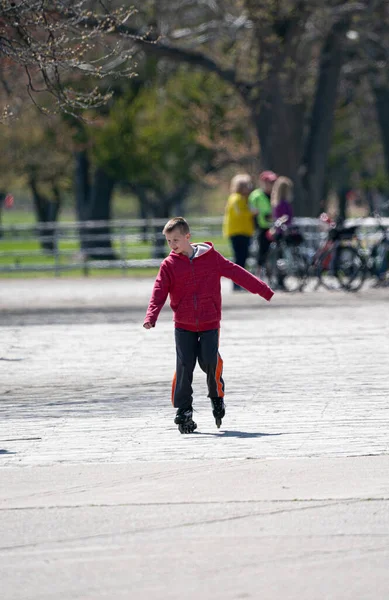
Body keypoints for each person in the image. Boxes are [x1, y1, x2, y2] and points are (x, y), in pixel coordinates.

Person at [143, 216, 274, 434]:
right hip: (183, 324)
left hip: (209, 321)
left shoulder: (211, 258)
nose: (172, 245)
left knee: (210, 361)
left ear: (188, 237)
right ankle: (184, 409)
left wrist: (263, 290)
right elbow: (159, 291)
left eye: (176, 240)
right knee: (184, 365)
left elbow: (236, 272)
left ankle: (217, 397)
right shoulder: (169, 265)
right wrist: (151, 316)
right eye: (168, 241)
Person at [222, 174, 256, 291]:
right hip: (238, 232)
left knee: (243, 258)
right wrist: (252, 212)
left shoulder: (244, 199)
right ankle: (237, 284)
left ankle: (240, 282)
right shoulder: (236, 198)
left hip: (244, 231)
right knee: (239, 258)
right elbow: (239, 213)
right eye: (247, 186)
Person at [249, 170, 278, 277]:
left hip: (275, 227)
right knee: (262, 253)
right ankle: (258, 276)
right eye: (269, 182)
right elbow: (252, 211)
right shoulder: (256, 195)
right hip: (262, 227)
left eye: (273, 182)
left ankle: (277, 276)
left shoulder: (276, 194)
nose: (271, 184)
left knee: (278, 252)